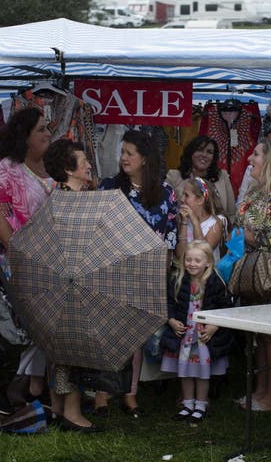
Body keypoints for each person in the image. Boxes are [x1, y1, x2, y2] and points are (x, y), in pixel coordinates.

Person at [97, 129, 178, 417]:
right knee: (107, 333)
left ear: (145, 158)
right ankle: (102, 394)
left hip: (148, 274)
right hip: (112, 271)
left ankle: (130, 395)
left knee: (136, 336)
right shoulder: (109, 188)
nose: (124, 158)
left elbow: (170, 236)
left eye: (130, 153)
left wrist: (162, 272)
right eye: (122, 152)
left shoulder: (165, 192)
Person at [0, 107, 55, 414]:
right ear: (25, 137)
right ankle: (16, 384)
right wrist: (20, 255)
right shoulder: (8, 170)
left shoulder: (53, 167)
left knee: (45, 324)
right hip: (17, 260)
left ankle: (33, 385)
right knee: (28, 325)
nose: (47, 134)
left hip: (52, 260)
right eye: (41, 129)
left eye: (47, 129)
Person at [41, 138, 102, 432]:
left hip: (63, 286)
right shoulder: (68, 201)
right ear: (69, 168)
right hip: (72, 286)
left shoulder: (63, 197)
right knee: (73, 351)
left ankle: (57, 409)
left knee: (60, 353)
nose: (89, 164)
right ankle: (72, 414)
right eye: (83, 160)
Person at [233, 139, 271, 412]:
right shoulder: (255, 192)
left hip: (270, 274)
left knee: (270, 337)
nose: (249, 159)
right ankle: (259, 391)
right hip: (252, 273)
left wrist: (241, 233)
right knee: (257, 335)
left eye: (256, 155)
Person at [160, 240, 233, 425]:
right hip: (184, 336)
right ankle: (187, 404)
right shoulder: (178, 279)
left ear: (208, 262)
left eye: (197, 261)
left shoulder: (215, 281)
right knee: (184, 371)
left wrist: (214, 326)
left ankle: (200, 405)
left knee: (202, 372)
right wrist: (171, 320)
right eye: (188, 259)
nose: (192, 264)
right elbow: (168, 303)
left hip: (203, 338)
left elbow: (225, 308)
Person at [166, 135, 236, 222]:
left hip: (217, 232)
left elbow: (231, 212)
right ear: (191, 153)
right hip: (184, 230)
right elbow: (167, 210)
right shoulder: (174, 176)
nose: (204, 155)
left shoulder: (222, 176)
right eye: (200, 150)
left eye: (209, 152)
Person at [175, 177, 226, 264]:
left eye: (186, 195)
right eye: (183, 194)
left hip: (208, 275)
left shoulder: (217, 222)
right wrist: (183, 223)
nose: (182, 199)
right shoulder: (183, 219)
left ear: (200, 200)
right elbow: (180, 255)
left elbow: (202, 253)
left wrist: (195, 222)